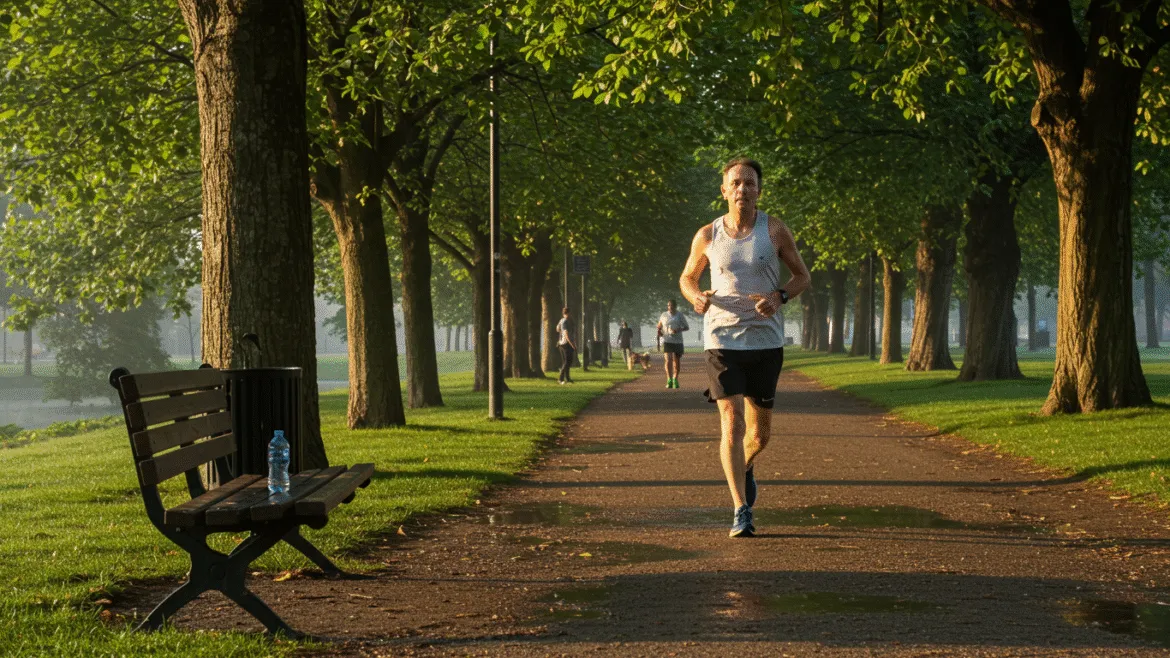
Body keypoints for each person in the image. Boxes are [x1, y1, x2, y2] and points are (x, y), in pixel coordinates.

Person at [679, 157, 811, 538]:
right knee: (732, 422)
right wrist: (695, 297)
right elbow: (688, 277)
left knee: (759, 435)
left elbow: (802, 277)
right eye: (735, 183)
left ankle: (746, 464)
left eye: (749, 183)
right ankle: (741, 509)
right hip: (721, 339)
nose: (742, 189)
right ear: (723, 191)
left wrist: (779, 296)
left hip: (766, 340)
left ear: (758, 190)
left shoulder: (775, 231)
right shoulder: (707, 235)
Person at [656, 300, 689, 388]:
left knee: (676, 360)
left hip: (677, 341)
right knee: (667, 359)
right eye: (668, 305)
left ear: (675, 306)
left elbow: (686, 327)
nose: (670, 307)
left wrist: (678, 330)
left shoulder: (680, 315)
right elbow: (659, 325)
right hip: (667, 340)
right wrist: (659, 330)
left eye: (671, 305)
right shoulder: (664, 315)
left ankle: (675, 379)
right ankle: (669, 379)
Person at [556, 307, 577, 385]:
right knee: (567, 361)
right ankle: (560, 378)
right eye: (569, 313)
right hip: (566, 344)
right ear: (568, 313)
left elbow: (557, 329)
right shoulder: (565, 321)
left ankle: (567, 378)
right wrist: (573, 345)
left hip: (561, 344)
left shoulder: (561, 320)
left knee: (567, 361)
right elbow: (566, 334)